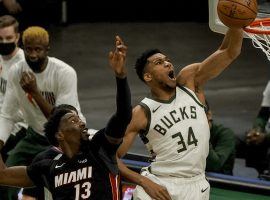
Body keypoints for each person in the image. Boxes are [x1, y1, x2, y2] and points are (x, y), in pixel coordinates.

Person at [117, 28, 243, 200]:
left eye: (167, 60)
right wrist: (144, 182)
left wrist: (236, 25)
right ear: (148, 76)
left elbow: (229, 52)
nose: (168, 63)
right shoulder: (141, 113)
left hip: (196, 184)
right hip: (159, 185)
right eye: (159, 62)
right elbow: (110, 156)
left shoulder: (190, 83)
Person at [0, 35, 132, 200]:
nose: (82, 122)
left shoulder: (100, 148)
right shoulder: (48, 165)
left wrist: (121, 77)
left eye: (79, 118)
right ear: (59, 134)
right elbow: (3, 175)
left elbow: (124, 115)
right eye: (73, 120)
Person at [0, 26, 85, 199]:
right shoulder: (16, 71)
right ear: (23, 47)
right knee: (5, 177)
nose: (32, 55)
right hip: (34, 135)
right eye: (29, 49)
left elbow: (61, 121)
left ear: (47, 49)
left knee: (52, 186)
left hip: (63, 139)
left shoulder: (64, 73)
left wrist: (35, 92)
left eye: (38, 49)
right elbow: (7, 114)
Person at [0, 15, 27, 163]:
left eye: (8, 38)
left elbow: (19, 111)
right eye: (0, 38)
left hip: (19, 126)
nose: (4, 42)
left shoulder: (23, 65)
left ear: (17, 37)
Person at [236, 80, 270, 177]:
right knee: (231, 141)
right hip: (265, 133)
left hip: (267, 136)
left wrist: (266, 137)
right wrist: (257, 130)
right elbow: (263, 115)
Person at [205, 101, 236, 175]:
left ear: (208, 115)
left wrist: (202, 135)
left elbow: (214, 166)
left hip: (221, 181)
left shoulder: (226, 134)